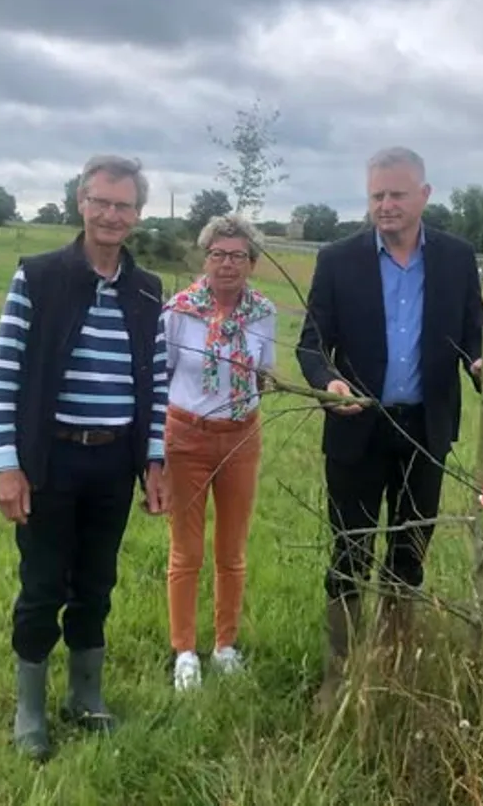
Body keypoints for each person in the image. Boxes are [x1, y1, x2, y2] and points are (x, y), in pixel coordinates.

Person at [295, 146, 483, 712]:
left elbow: (471, 333)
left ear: (424, 196)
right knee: (349, 553)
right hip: (356, 427)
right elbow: (312, 341)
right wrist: (329, 381)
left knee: (409, 553)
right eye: (376, 196)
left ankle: (392, 669)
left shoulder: (457, 259)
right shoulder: (338, 260)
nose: (385, 206)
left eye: (396, 194)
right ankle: (339, 676)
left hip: (424, 432)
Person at [0, 154, 169, 760]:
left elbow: (157, 381)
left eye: (123, 205)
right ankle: (30, 710)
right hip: (51, 462)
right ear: (80, 203)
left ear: (137, 215)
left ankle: (85, 697)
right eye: (101, 201)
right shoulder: (38, 278)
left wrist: (155, 460)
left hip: (113, 464)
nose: (111, 214)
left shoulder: (146, 291)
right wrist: (7, 464)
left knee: (96, 583)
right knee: (42, 586)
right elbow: (5, 374)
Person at [161, 214, 277, 690]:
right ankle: (184, 650)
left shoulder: (263, 314)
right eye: (217, 254)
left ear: (251, 262)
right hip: (186, 438)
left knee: (232, 550)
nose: (226, 264)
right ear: (204, 258)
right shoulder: (178, 311)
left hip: (241, 438)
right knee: (186, 550)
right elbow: (160, 374)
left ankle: (225, 645)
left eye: (237, 256)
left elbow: (264, 374)